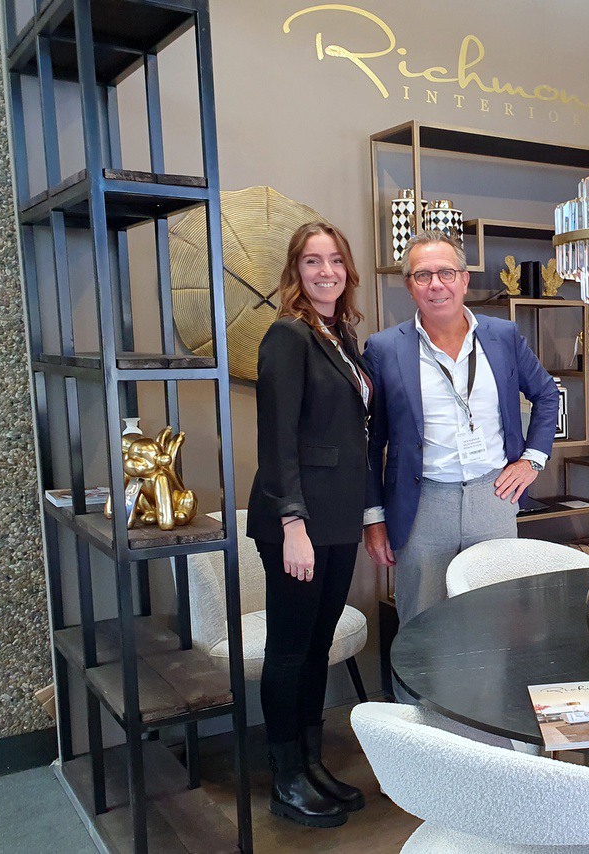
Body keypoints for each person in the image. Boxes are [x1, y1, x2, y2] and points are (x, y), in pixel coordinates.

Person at [362, 230, 560, 632]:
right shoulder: (384, 349)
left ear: (464, 280)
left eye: (446, 273)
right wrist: (373, 517)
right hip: (421, 506)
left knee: (496, 624)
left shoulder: (502, 336)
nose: (436, 284)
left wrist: (532, 461)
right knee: (423, 626)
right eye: (423, 275)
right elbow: (370, 441)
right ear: (410, 286)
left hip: (494, 498)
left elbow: (546, 394)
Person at [246, 222, 371, 828]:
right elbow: (277, 440)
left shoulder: (341, 336)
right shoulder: (287, 336)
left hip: (339, 518)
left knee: (317, 648)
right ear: (295, 271)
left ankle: (311, 762)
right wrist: (293, 524)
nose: (326, 271)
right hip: (297, 523)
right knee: (290, 651)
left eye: (335, 260)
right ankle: (286, 778)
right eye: (313, 261)